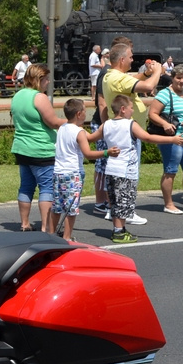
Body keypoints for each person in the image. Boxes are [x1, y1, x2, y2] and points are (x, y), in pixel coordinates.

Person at [103, 94, 183, 243]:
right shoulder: (130, 124)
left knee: (115, 202)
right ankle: (119, 233)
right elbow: (147, 137)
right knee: (124, 202)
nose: (132, 111)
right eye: (131, 108)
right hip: (126, 171)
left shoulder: (107, 124)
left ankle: (118, 229)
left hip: (111, 169)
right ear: (123, 109)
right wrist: (172, 139)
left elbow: (92, 138)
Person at [101, 39, 160, 224]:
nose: (133, 60)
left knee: (119, 175)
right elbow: (149, 87)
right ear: (121, 60)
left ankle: (116, 209)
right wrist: (157, 72)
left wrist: (144, 73)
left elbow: (133, 80)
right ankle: (127, 211)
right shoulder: (118, 78)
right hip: (129, 132)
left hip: (122, 130)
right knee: (129, 174)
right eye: (131, 57)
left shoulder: (110, 75)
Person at [50, 98, 117, 241]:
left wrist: (104, 128)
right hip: (72, 173)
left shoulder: (63, 127)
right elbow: (88, 154)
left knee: (57, 205)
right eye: (85, 111)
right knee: (71, 208)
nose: (86, 114)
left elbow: (91, 137)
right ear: (79, 114)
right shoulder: (79, 132)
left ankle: (51, 234)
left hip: (58, 172)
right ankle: (67, 237)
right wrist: (107, 152)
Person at [10, 63, 65, 232]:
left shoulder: (17, 95)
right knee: (47, 187)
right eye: (47, 79)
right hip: (41, 149)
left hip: (21, 147)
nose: (48, 82)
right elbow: (53, 122)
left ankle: (24, 223)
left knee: (26, 186)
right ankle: (46, 226)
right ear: (39, 79)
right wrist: (71, 123)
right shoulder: (39, 97)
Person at [148, 64, 183, 214]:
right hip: (172, 139)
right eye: (178, 78)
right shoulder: (165, 94)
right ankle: (168, 204)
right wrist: (165, 124)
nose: (181, 81)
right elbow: (153, 113)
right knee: (170, 170)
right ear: (172, 78)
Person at [89, 48, 110, 214]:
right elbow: (101, 103)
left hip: (105, 123)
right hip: (103, 122)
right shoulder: (107, 72)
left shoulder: (107, 71)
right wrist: (107, 127)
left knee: (104, 163)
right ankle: (101, 202)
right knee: (103, 163)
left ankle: (103, 201)